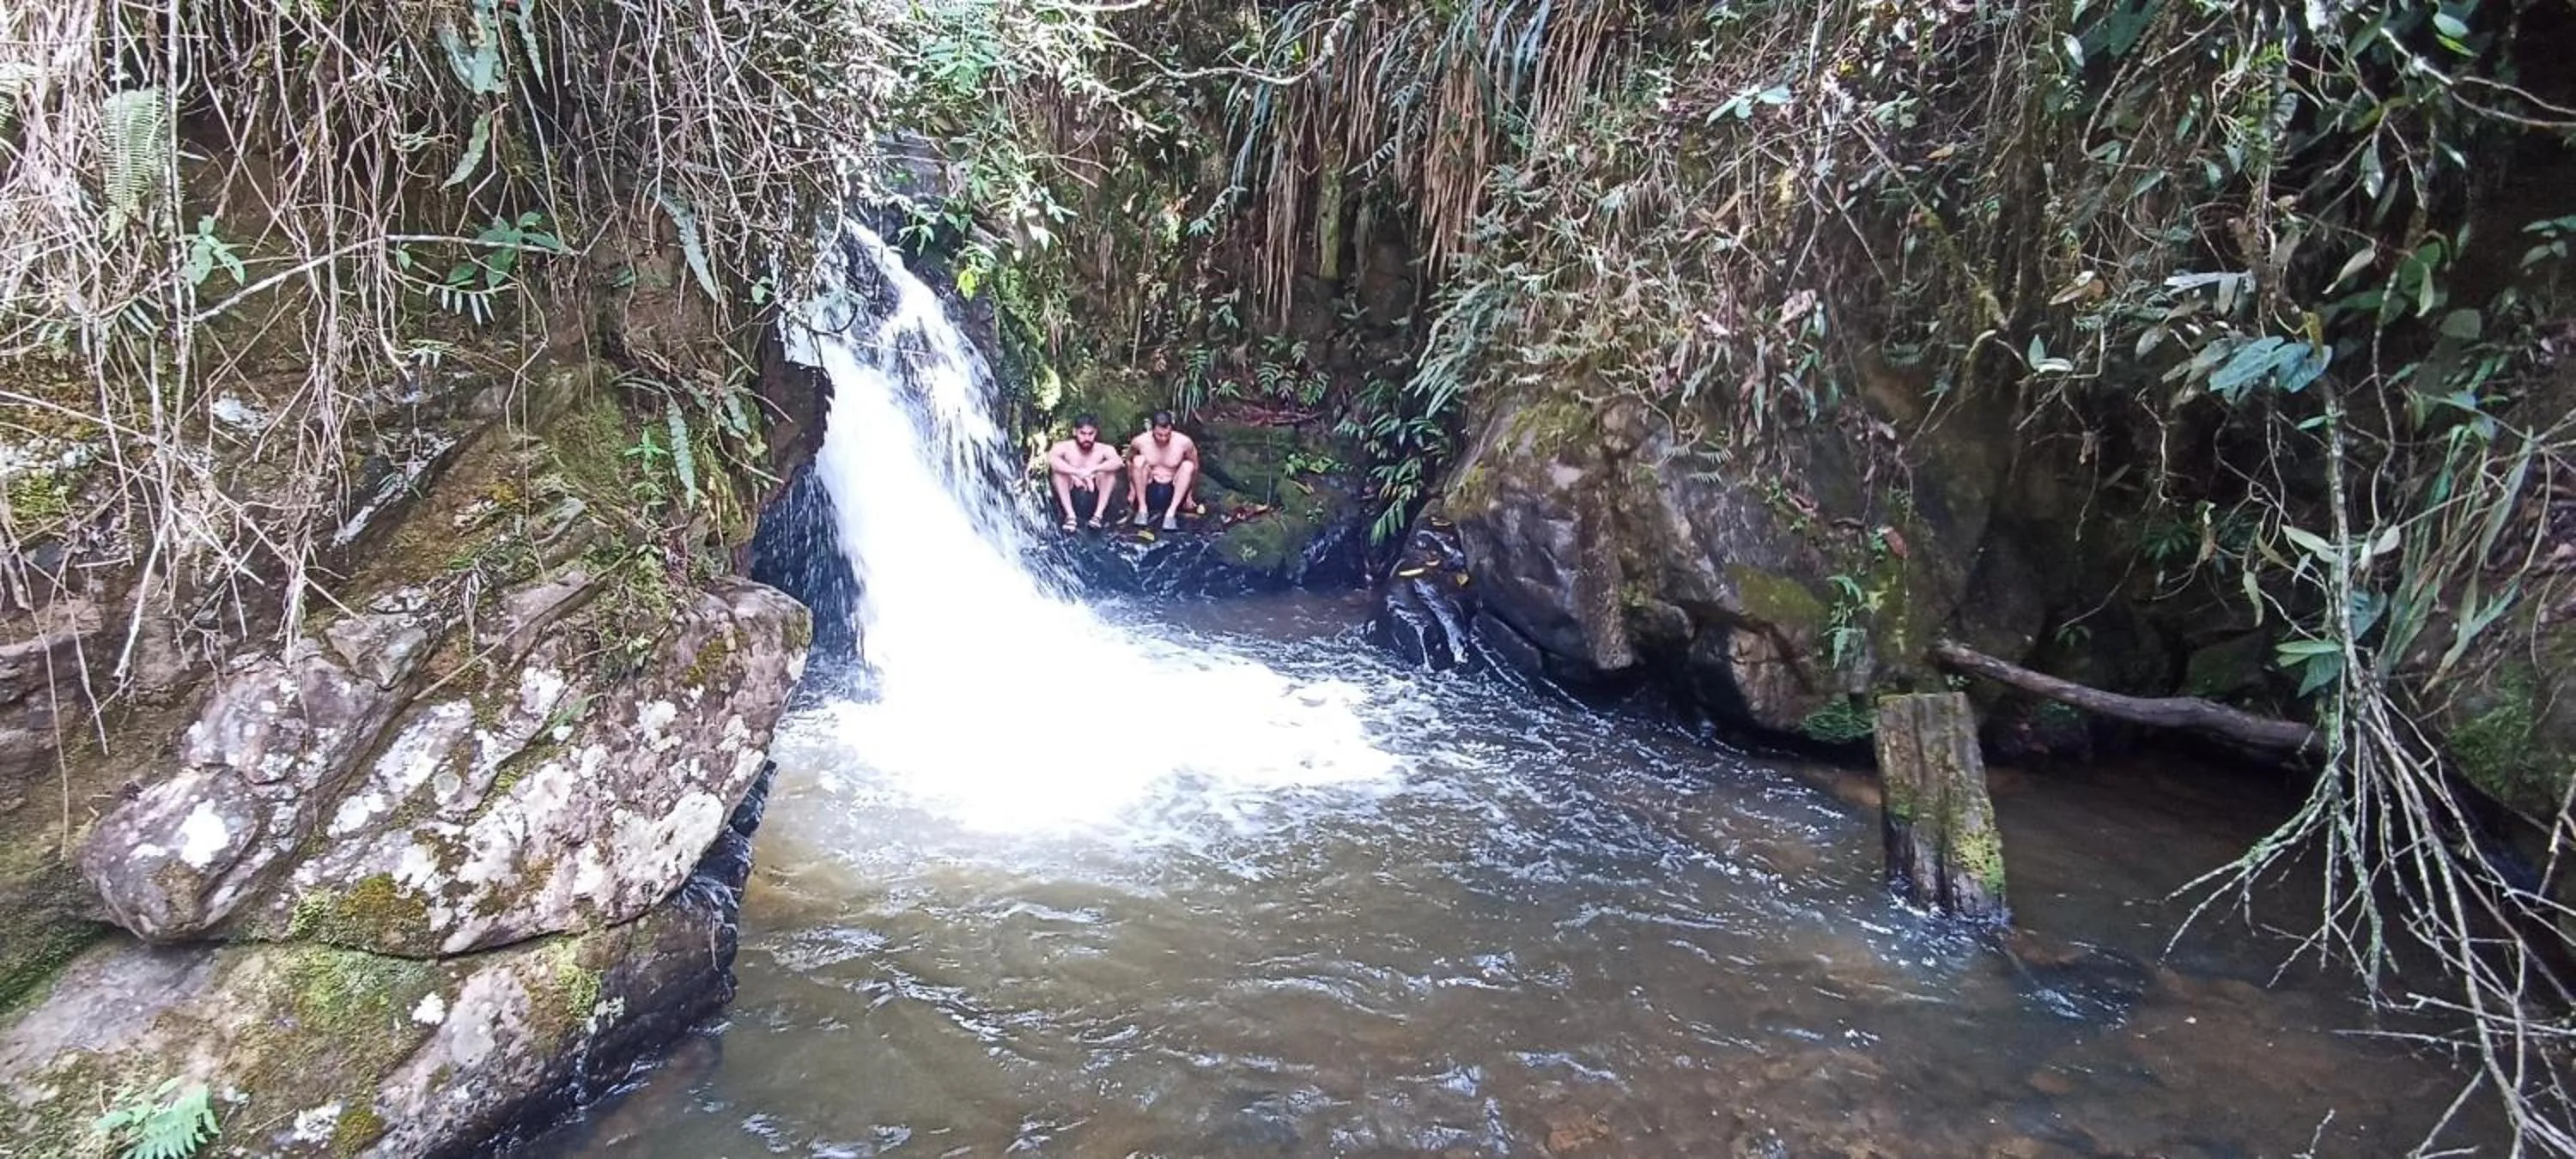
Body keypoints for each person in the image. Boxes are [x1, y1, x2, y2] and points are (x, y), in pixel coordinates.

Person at [1046, 414, 1124, 530]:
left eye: (1090, 434)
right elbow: (1052, 460)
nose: (1087, 438)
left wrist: (1092, 470)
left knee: (1108, 474)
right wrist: (1075, 473)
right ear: (1075, 432)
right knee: (1059, 474)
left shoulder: (1104, 449)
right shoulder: (1063, 447)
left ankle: (1098, 516)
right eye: (1083, 433)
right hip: (1071, 492)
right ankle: (1070, 516)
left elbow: (1118, 462)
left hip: (1095, 494)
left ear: (1095, 433)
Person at [1127, 410, 1200, 531]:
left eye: (1167, 435)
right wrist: (1132, 489)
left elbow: (1196, 466)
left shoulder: (1184, 442)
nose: (1163, 438)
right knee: (1138, 461)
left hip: (1173, 487)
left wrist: (1190, 494)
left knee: (1188, 465)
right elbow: (1129, 461)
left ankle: (1171, 513)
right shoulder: (1140, 441)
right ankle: (1142, 509)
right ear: (1152, 430)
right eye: (1159, 435)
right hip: (1150, 484)